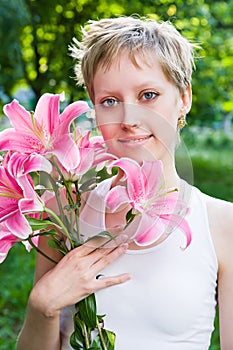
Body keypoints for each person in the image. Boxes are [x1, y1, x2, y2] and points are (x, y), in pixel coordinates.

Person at [17, 16, 233, 350]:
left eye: (148, 95)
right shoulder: (63, 212)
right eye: (109, 101)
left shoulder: (222, 225)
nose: (130, 120)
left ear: (184, 98)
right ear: (94, 107)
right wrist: (42, 306)